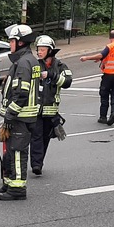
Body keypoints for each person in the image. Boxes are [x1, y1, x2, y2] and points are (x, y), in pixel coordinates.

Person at [0, 24, 41, 201]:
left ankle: (17, 189)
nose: (9, 43)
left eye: (11, 40)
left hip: (20, 117)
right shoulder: (27, 60)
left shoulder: (23, 63)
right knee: (9, 152)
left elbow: (21, 93)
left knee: (17, 153)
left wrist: (9, 115)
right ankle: (8, 183)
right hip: (21, 116)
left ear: (20, 42)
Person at [30, 35, 73, 175]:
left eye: (42, 49)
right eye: (38, 49)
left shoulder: (60, 66)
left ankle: (39, 161)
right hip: (36, 110)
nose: (39, 52)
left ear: (50, 51)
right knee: (35, 136)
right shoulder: (35, 65)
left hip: (51, 111)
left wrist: (51, 75)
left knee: (45, 138)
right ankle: (36, 165)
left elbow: (68, 82)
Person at [80, 29, 114, 125]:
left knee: (104, 94)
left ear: (109, 38)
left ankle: (103, 117)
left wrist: (87, 58)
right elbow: (112, 56)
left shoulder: (110, 46)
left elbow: (102, 54)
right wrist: (102, 59)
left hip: (109, 74)